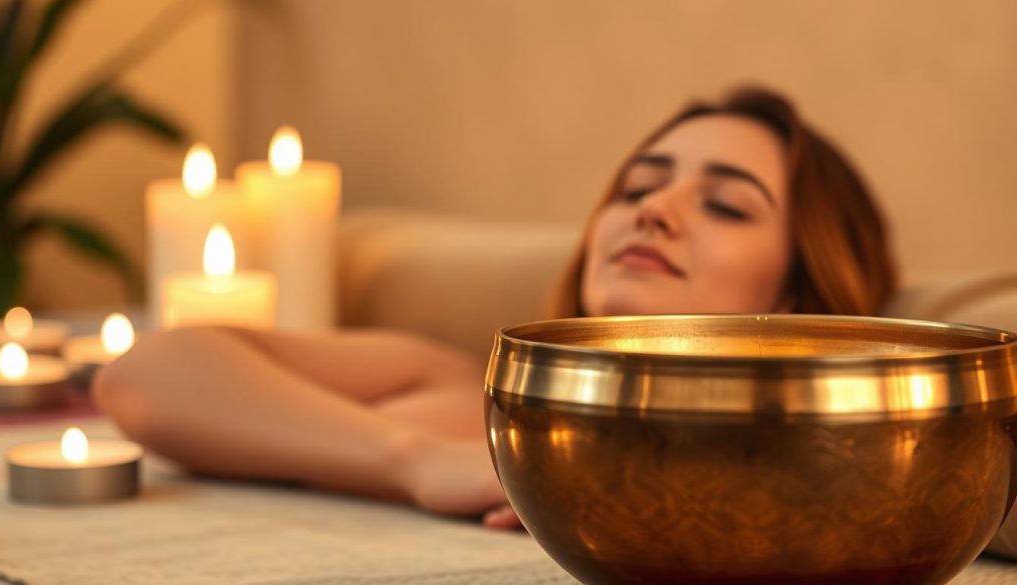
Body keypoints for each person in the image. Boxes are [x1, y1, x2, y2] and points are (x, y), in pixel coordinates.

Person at [93, 86, 896, 530]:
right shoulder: (471, 392)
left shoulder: (823, 486)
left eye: (726, 205)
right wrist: (414, 461)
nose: (654, 209)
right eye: (637, 187)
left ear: (798, 295)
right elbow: (146, 372)